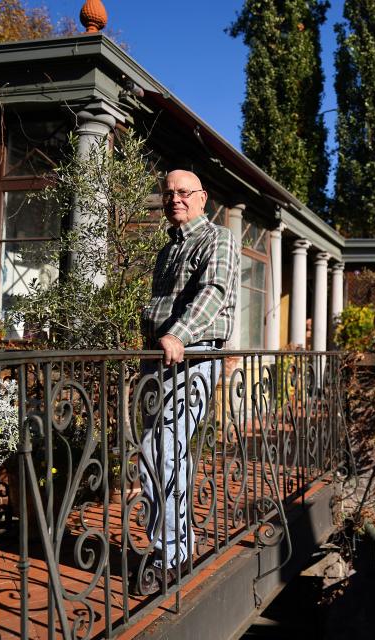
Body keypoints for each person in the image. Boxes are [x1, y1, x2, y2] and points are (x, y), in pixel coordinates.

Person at [135, 169, 238, 594]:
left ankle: (172, 554)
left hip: (192, 358)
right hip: (159, 361)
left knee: (164, 450)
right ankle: (172, 547)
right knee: (153, 452)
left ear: (203, 197)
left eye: (183, 192)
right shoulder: (167, 250)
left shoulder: (218, 239)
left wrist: (179, 333)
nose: (174, 198)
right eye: (168, 192)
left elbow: (213, 292)